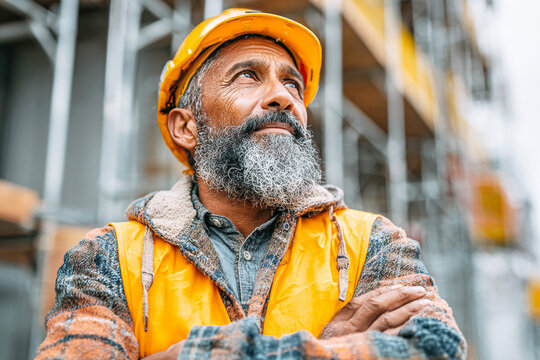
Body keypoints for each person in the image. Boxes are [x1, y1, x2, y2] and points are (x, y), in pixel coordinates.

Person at [36, 8, 466, 360]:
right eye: (247, 76)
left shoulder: (372, 241)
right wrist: (326, 347)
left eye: (292, 83)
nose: (283, 96)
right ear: (187, 126)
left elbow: (435, 350)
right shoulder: (109, 255)